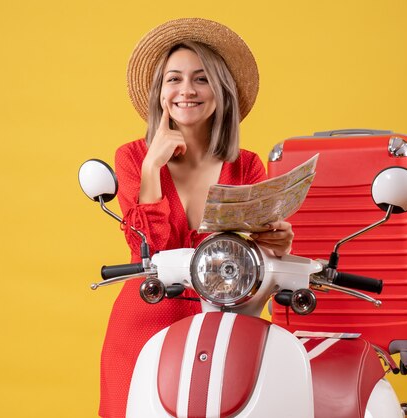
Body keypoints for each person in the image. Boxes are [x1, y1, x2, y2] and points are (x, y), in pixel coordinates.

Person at [99, 18, 294, 417]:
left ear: (221, 92)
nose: (186, 90)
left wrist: (278, 246)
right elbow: (151, 251)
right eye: (174, 79)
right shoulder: (133, 157)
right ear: (159, 93)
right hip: (144, 321)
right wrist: (153, 166)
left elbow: (257, 263)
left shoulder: (247, 166)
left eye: (201, 79)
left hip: (227, 324)